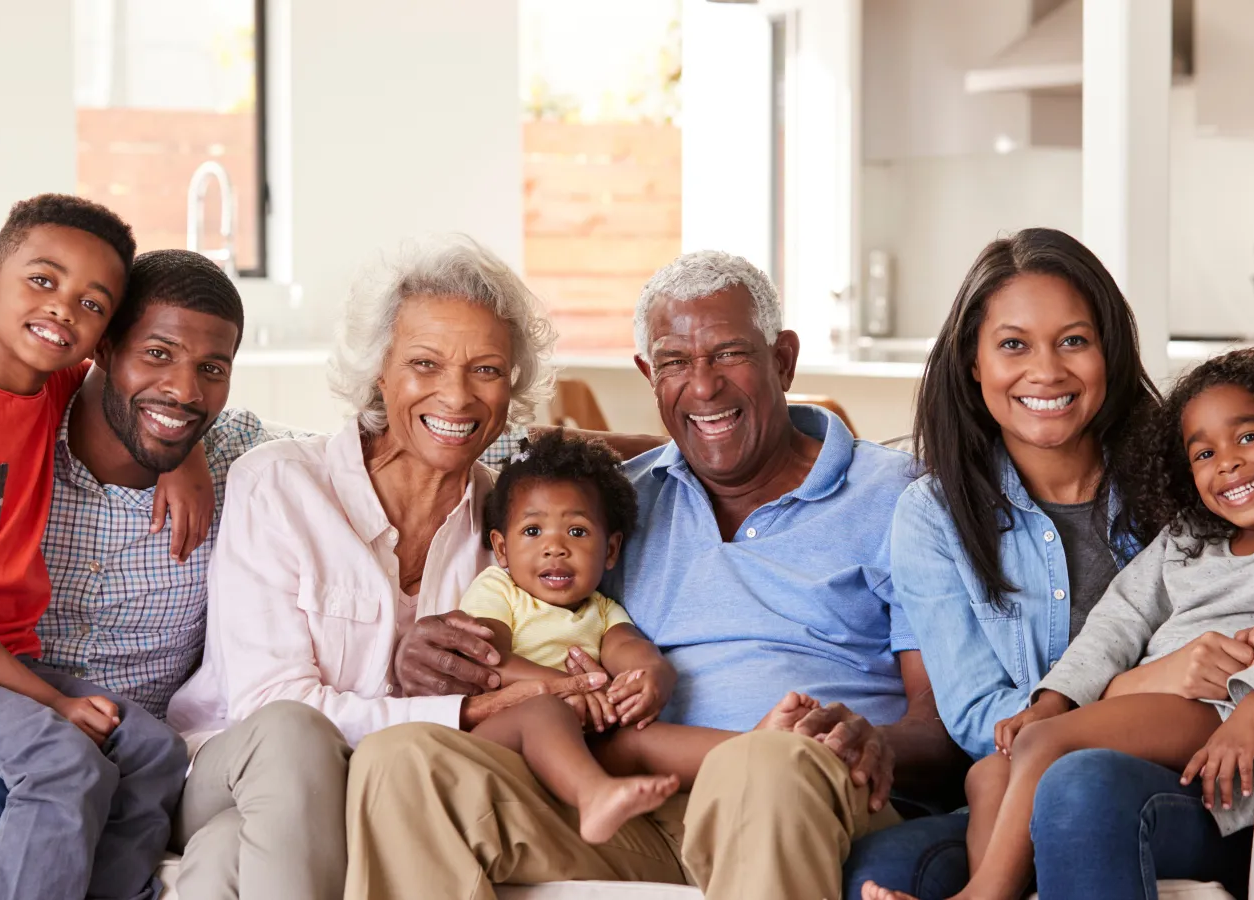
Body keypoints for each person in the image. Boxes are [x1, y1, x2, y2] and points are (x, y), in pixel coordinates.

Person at [345, 250, 968, 900]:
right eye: (674, 363)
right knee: (402, 760)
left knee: (765, 763)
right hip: (637, 803)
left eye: (728, 354)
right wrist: (441, 652)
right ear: (649, 374)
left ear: (782, 359)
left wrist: (868, 739)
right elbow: (536, 611)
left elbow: (945, 727)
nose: (702, 387)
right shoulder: (617, 504)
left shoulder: (900, 498)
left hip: (801, 785)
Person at [846, 228, 1254, 900]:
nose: (1046, 371)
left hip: (1185, 763)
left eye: (1073, 340)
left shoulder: (1181, 474)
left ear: (1109, 353)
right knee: (903, 851)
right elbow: (985, 719)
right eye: (1013, 344)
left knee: (1076, 783)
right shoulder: (936, 512)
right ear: (974, 362)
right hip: (1042, 755)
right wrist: (1134, 685)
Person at [0, 247, 290, 900]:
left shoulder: (236, 455)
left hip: (57, 732)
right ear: (100, 350)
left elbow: (374, 450)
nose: (184, 388)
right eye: (157, 355)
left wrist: (176, 447)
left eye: (210, 369)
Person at [164, 236, 610, 900]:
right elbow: (268, 705)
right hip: (237, 767)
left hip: (376, 796)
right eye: (425, 364)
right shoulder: (282, 485)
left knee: (224, 857)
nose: (456, 398)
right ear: (380, 370)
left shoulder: (512, 525)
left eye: (486, 369)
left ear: (511, 383)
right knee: (292, 733)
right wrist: (462, 709)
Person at [462, 429, 831, 844]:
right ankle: (593, 795)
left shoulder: (602, 610)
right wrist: (564, 689)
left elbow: (633, 651)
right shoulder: (499, 589)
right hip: (505, 737)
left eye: (577, 532)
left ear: (611, 551)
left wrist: (652, 679)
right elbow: (487, 659)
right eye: (532, 532)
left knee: (644, 738)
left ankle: (754, 748)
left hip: (586, 743)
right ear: (502, 547)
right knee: (545, 711)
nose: (555, 548)